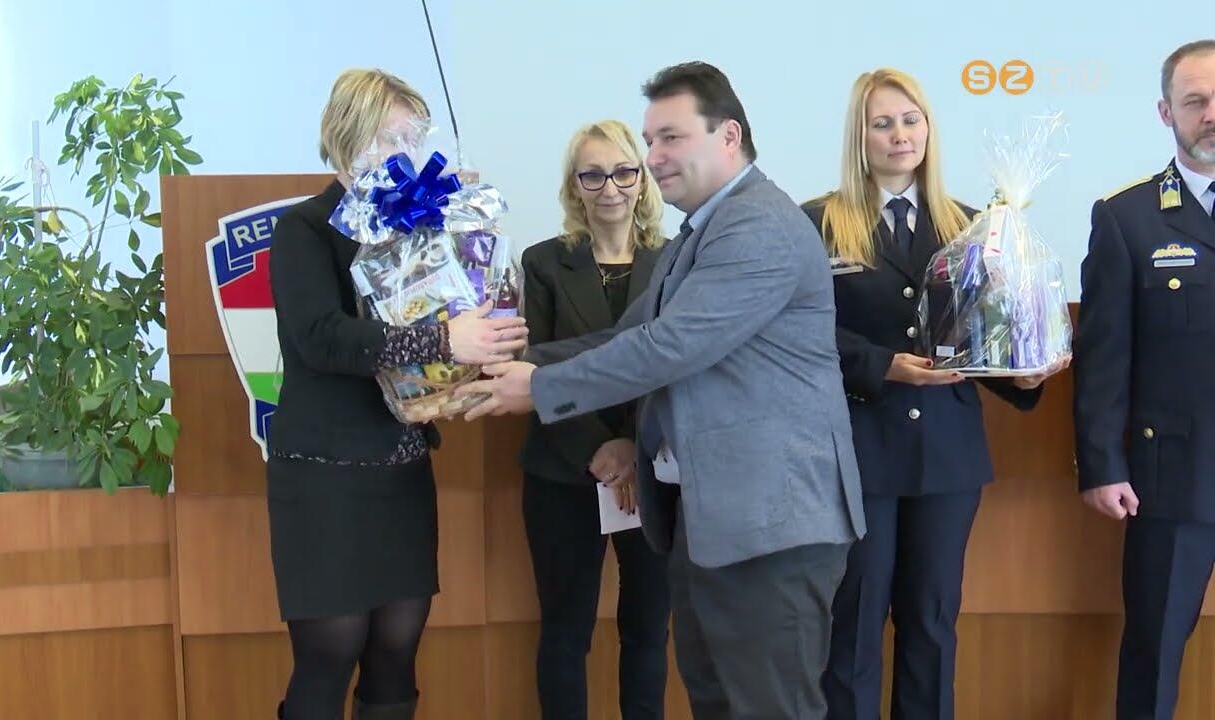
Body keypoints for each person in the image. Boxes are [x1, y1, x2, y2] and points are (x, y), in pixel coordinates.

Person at [460, 61, 866, 720]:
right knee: (718, 702)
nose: (652, 158)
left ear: (729, 136)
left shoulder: (758, 226)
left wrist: (541, 388)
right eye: (650, 140)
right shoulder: (700, 232)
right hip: (712, 524)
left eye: (670, 138)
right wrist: (500, 364)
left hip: (772, 530)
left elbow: (671, 348)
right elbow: (628, 334)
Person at [265, 68, 527, 720]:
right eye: (391, 136)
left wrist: (485, 342)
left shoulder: (424, 230)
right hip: (324, 474)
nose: (406, 150)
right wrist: (446, 340)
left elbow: (450, 329)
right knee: (330, 651)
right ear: (348, 135)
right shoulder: (306, 228)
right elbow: (321, 339)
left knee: (395, 650)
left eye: (414, 136)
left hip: (399, 463)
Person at [802, 68, 1060, 720]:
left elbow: (981, 335)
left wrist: (1020, 373)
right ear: (859, 136)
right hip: (858, 451)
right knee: (854, 624)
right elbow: (795, 332)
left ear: (928, 129)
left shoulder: (975, 226)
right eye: (883, 123)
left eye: (911, 120)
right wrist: (879, 365)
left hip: (945, 454)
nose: (900, 135)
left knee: (932, 622)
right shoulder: (818, 224)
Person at [1074, 39, 1215, 720]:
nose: (1211, 114)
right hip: (1174, 475)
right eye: (1196, 102)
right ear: (1167, 113)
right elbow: (1104, 357)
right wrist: (1102, 464)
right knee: (1155, 649)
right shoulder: (1126, 218)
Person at [518, 119, 670, 720]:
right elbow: (533, 365)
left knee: (648, 628)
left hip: (652, 468)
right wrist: (597, 449)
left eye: (623, 172)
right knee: (565, 631)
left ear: (642, 179)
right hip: (562, 470)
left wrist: (631, 443)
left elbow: (678, 362)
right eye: (593, 175)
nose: (610, 188)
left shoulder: (675, 262)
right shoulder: (543, 263)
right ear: (573, 186)